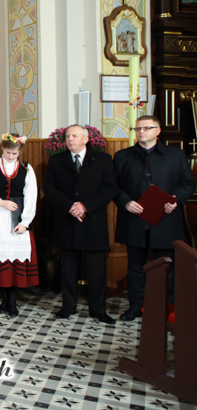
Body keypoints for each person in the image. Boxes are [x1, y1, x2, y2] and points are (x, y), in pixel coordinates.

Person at [113, 115, 195, 320]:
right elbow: (112, 187)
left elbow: (188, 184)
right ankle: (135, 307)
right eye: (138, 128)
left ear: (158, 131)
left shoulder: (175, 155)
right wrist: (125, 202)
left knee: (167, 267)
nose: (142, 131)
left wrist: (176, 199)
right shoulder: (123, 156)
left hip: (165, 219)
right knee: (135, 267)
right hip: (134, 219)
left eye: (147, 128)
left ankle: (166, 308)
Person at [42, 125, 118, 324]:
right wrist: (70, 206)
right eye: (67, 136)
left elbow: (109, 189)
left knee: (96, 271)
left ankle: (98, 310)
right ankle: (68, 306)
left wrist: (85, 206)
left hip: (93, 222)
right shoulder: (57, 160)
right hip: (67, 221)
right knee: (68, 269)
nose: (70, 139)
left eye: (74, 136)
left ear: (86, 139)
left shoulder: (103, 160)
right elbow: (49, 188)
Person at [0, 134, 39, 317]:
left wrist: (25, 222)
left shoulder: (26, 169)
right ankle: (3, 299)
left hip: (18, 216)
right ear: (2, 149)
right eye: (8, 152)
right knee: (2, 259)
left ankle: (12, 301)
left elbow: (31, 195)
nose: (10, 156)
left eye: (14, 154)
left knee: (16, 260)